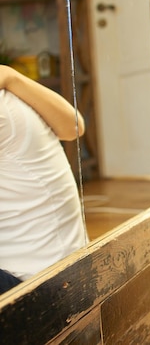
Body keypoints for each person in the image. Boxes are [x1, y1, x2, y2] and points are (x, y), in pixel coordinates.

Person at [0, 64, 88, 294]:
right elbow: (74, 126)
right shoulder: (8, 91)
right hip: (68, 270)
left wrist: (9, 75)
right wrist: (10, 75)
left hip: (33, 287)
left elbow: (74, 127)